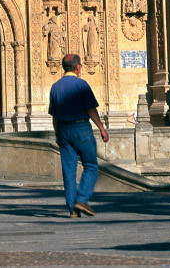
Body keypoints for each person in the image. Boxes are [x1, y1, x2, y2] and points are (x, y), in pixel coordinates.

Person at [47, 52, 108, 217]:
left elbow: (54, 115)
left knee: (69, 171)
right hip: (81, 128)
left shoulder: (55, 87)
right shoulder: (81, 85)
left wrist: (57, 133)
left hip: (63, 130)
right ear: (78, 67)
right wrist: (101, 128)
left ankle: (72, 209)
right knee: (90, 165)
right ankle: (82, 200)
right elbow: (90, 109)